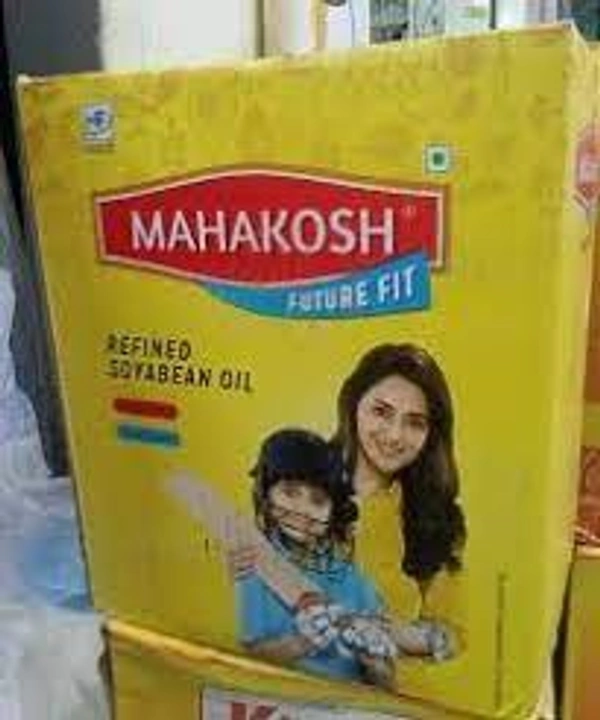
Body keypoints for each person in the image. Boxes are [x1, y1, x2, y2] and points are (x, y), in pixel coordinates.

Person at [234, 427, 397, 688]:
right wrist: (303, 642)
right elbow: (249, 659)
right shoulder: (256, 565)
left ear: (334, 512)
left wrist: (374, 662)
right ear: (265, 493)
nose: (302, 510)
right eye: (290, 492)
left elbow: (387, 682)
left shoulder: (354, 581)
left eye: (318, 500)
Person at [332, 343, 466, 635]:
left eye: (415, 423)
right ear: (353, 403)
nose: (394, 436)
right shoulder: (297, 482)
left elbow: (449, 635)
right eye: (382, 412)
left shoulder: (439, 521)